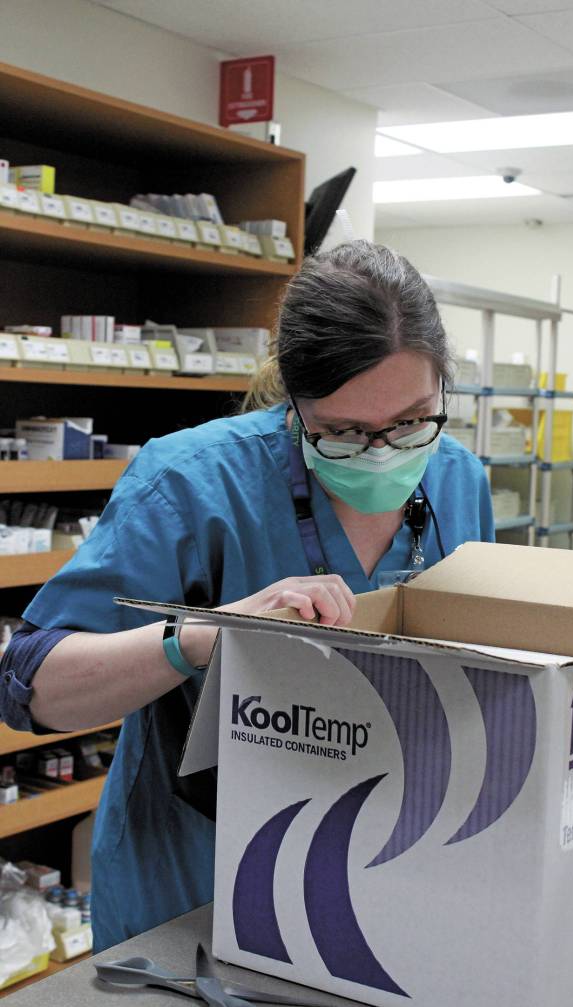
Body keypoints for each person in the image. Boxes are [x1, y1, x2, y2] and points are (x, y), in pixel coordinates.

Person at [0, 240, 494, 952]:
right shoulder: (191, 482)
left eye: (413, 420)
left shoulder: (458, 479)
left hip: (388, 863)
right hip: (196, 884)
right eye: (344, 431)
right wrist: (201, 636)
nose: (383, 451)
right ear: (293, 403)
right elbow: (29, 686)